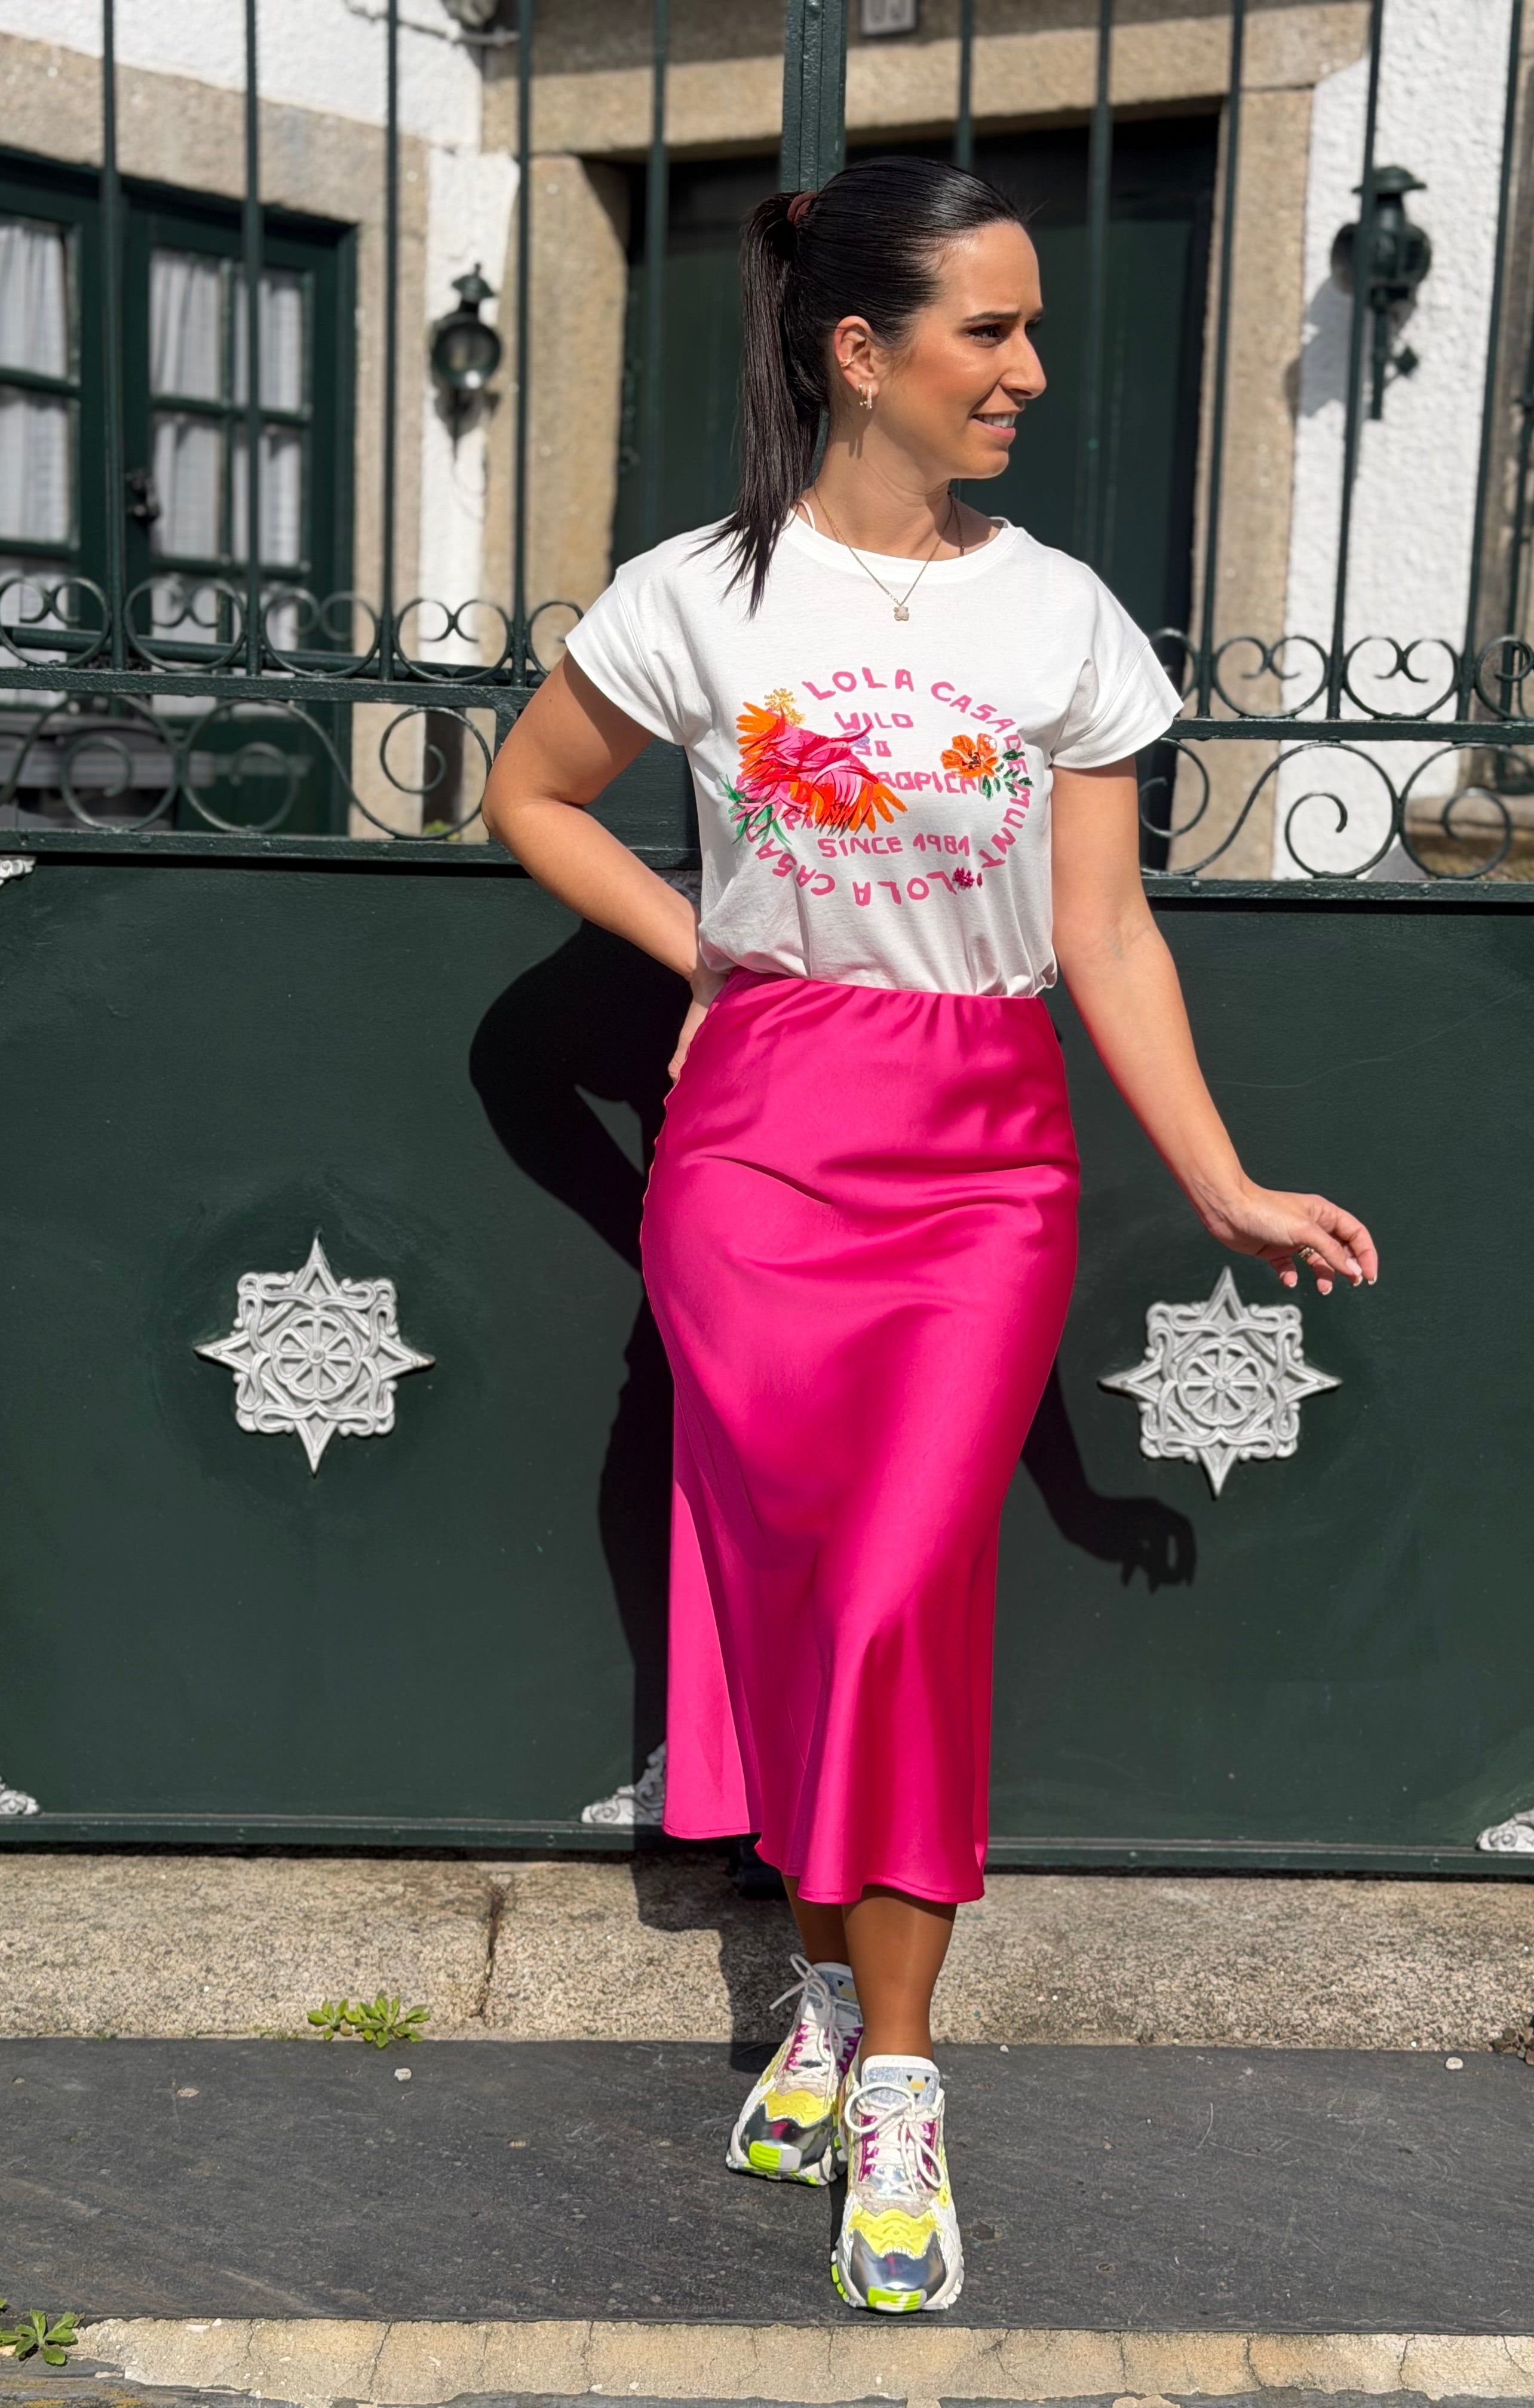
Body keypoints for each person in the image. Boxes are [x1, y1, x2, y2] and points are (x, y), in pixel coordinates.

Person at [481, 153, 1377, 2317]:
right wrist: (705, 957)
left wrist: (1221, 1176)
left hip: (984, 1159)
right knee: (810, 1603)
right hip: (756, 1153)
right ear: (860, 351)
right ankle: (825, 1996)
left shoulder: (1060, 615)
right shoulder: (699, 594)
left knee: (895, 1594)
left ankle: (898, 2078)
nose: (1032, 369)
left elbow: (1107, 934)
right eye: (992, 329)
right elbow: (526, 791)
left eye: (1031, 326)